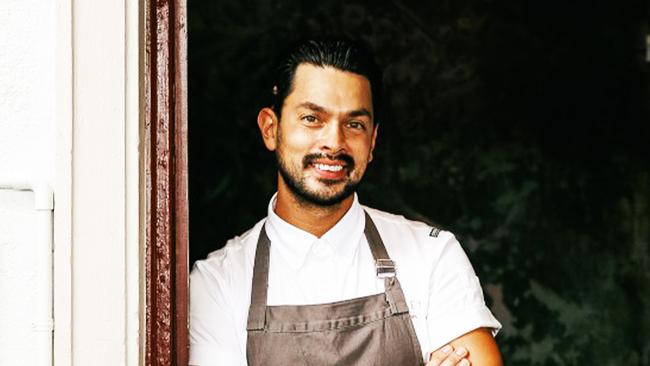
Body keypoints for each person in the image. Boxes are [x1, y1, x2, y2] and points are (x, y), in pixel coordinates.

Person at [190, 38, 503, 366]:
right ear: (271, 129)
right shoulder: (217, 285)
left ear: (372, 142)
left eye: (354, 124)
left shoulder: (432, 256)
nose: (334, 142)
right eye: (313, 118)